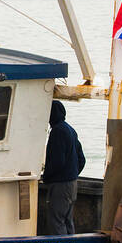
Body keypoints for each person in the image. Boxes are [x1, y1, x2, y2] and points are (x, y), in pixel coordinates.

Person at [44, 99, 86, 235]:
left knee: (56, 221)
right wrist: (72, 174)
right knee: (67, 220)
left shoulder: (57, 132)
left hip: (60, 185)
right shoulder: (70, 130)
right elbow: (81, 159)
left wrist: (46, 177)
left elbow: (57, 161)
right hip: (72, 184)